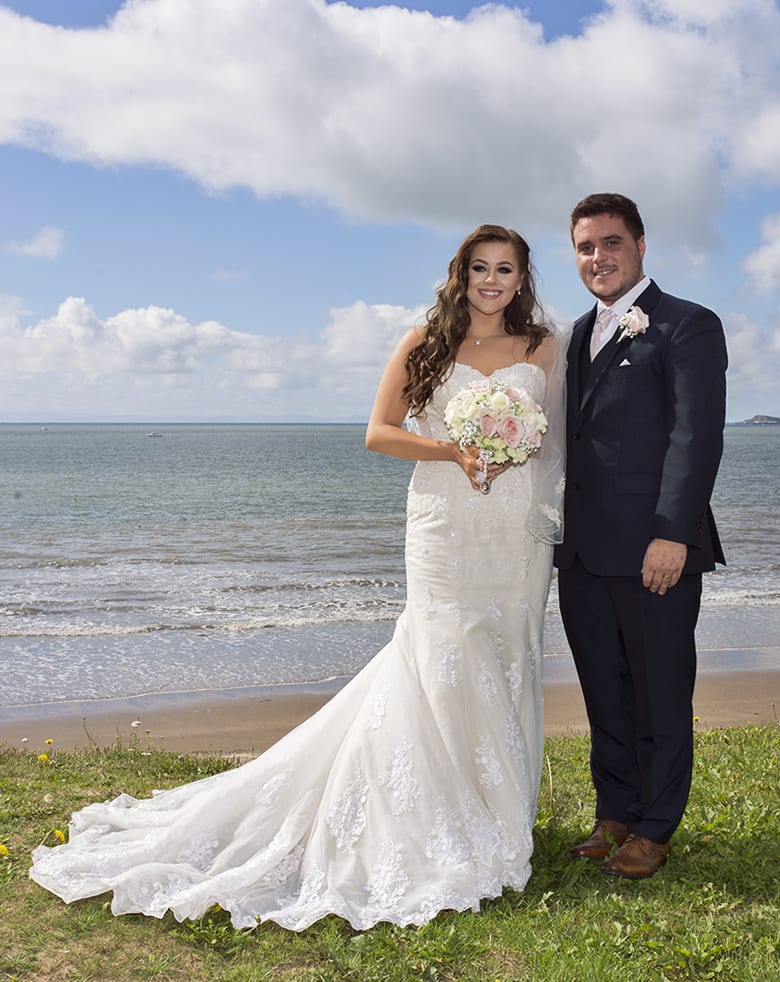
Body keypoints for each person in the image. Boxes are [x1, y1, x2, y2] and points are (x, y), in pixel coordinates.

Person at [30, 225, 566, 932]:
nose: (491, 281)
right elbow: (378, 431)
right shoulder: (424, 341)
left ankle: (497, 813)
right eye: (479, 268)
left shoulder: (541, 347)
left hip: (515, 532)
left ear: (523, 278)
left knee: (508, 655)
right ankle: (430, 817)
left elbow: (552, 438)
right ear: (460, 273)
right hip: (445, 523)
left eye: (505, 269)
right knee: (442, 657)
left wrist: (521, 462)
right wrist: (454, 449)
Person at [555, 193, 726, 879]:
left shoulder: (687, 325)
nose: (599, 257)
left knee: (660, 692)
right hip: (581, 552)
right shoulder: (571, 336)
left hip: (656, 550)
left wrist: (672, 534)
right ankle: (614, 814)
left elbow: (695, 438)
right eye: (586, 247)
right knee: (604, 691)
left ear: (641, 245)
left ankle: (656, 827)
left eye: (611, 243)